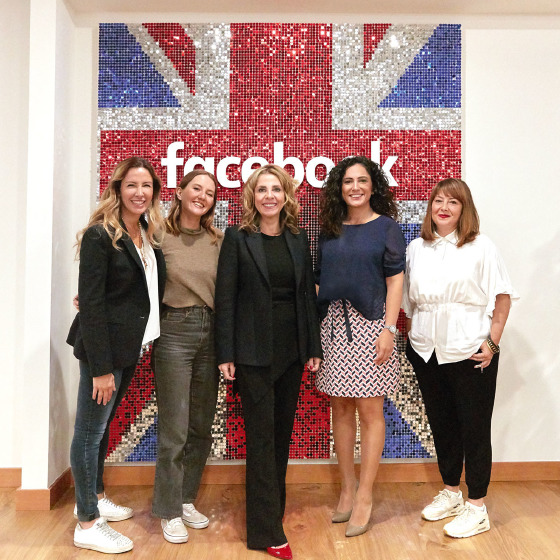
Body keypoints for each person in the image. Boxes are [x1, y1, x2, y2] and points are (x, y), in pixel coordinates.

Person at [215, 164, 322, 560]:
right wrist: (226, 353)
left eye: (276, 189)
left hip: (291, 352)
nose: (269, 196)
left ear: (286, 195)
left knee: (280, 435)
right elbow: (226, 297)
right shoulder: (238, 237)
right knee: (261, 439)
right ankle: (267, 533)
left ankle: (271, 511)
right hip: (252, 352)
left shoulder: (297, 238)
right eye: (262, 190)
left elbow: (306, 297)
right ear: (252, 197)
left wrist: (312, 346)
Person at [403, 178, 518, 538]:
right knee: (442, 425)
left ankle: (477, 506)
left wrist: (492, 343)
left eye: (453, 202)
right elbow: (409, 302)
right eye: (438, 200)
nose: (444, 208)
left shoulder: (481, 247)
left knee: (474, 429)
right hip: (426, 351)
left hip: (470, 351)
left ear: (464, 209)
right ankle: (452, 492)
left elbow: (502, 298)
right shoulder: (416, 248)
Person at [67, 157, 166, 554]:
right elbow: (91, 304)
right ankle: (87, 522)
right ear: (118, 189)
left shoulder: (146, 232)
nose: (140, 193)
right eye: (132, 185)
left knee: (103, 426)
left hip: (129, 346)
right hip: (103, 352)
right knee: (89, 433)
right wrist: (101, 369)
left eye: (146, 186)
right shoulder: (100, 235)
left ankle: (95, 495)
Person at [315, 156, 406, 537]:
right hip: (333, 328)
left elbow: (396, 281)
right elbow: (319, 279)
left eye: (362, 180)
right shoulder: (329, 229)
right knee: (339, 408)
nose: (355, 187)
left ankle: (365, 495)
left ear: (373, 186)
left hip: (372, 328)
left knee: (370, 411)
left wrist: (388, 329)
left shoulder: (387, 228)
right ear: (339, 188)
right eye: (348, 181)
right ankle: (347, 489)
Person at [151, 170, 223, 544]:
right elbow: (134, 276)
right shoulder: (157, 235)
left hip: (211, 333)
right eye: (196, 188)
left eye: (210, 193)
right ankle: (168, 511)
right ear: (180, 192)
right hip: (173, 332)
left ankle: (185, 498)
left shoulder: (218, 240)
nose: (202, 196)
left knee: (200, 426)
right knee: (175, 428)